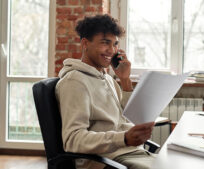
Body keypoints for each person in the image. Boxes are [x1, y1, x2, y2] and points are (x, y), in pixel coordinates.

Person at [55, 14, 156, 169]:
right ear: (85, 43)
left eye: (115, 44)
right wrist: (124, 138)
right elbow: (73, 140)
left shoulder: (107, 78)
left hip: (129, 153)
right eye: (105, 43)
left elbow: (129, 117)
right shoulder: (75, 82)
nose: (112, 50)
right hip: (107, 161)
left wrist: (125, 80)